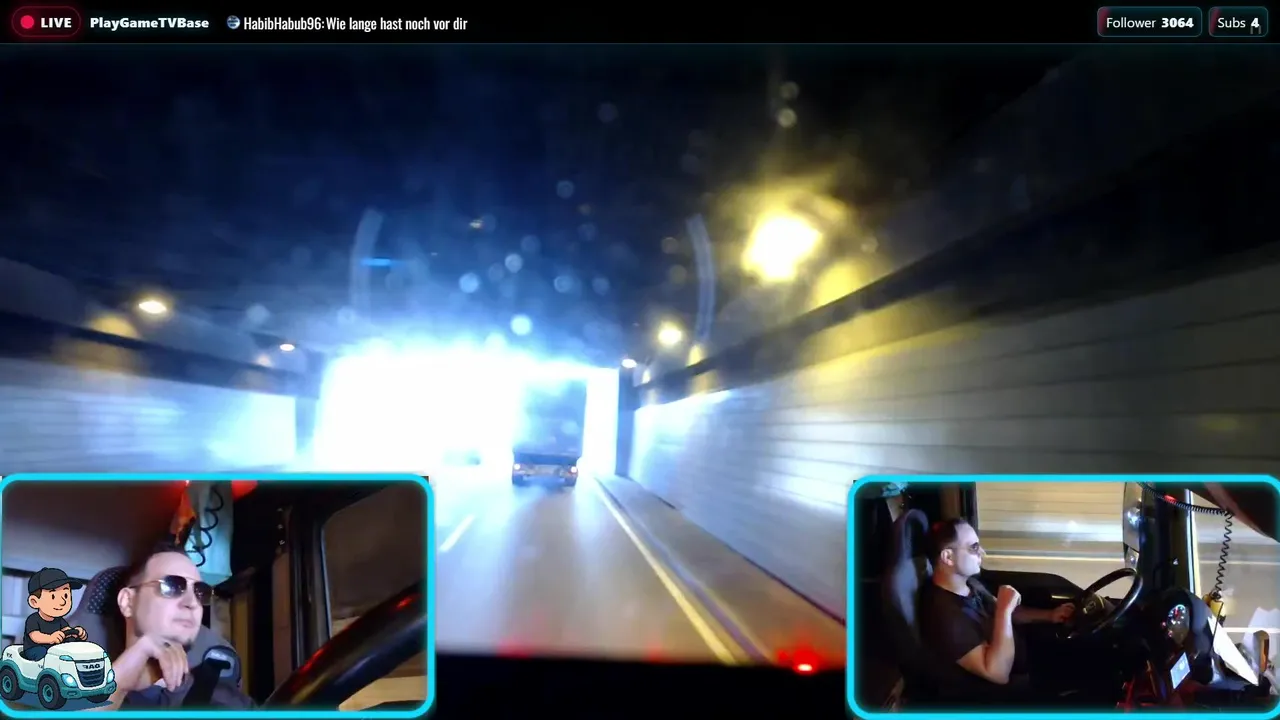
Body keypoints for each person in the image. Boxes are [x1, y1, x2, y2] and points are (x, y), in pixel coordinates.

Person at [919, 518, 1074, 700]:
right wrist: (1004, 611)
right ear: (948, 557)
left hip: (1027, 657)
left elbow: (1010, 614)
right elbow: (998, 674)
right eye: (974, 547)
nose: (982, 553)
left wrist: (1050, 615)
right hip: (1015, 686)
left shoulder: (969, 585)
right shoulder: (944, 616)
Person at [99, 544, 254, 710]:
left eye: (199, 592)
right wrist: (118, 683)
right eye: (171, 586)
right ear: (128, 602)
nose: (192, 602)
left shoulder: (222, 699)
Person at [22, 567, 88, 661]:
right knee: (43, 653)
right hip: (35, 649)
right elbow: (35, 636)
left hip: (54, 650)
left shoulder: (60, 621)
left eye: (65, 595)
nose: (62, 602)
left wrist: (76, 633)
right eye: (53, 596)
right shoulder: (33, 619)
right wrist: (50, 638)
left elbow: (66, 630)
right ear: (34, 602)